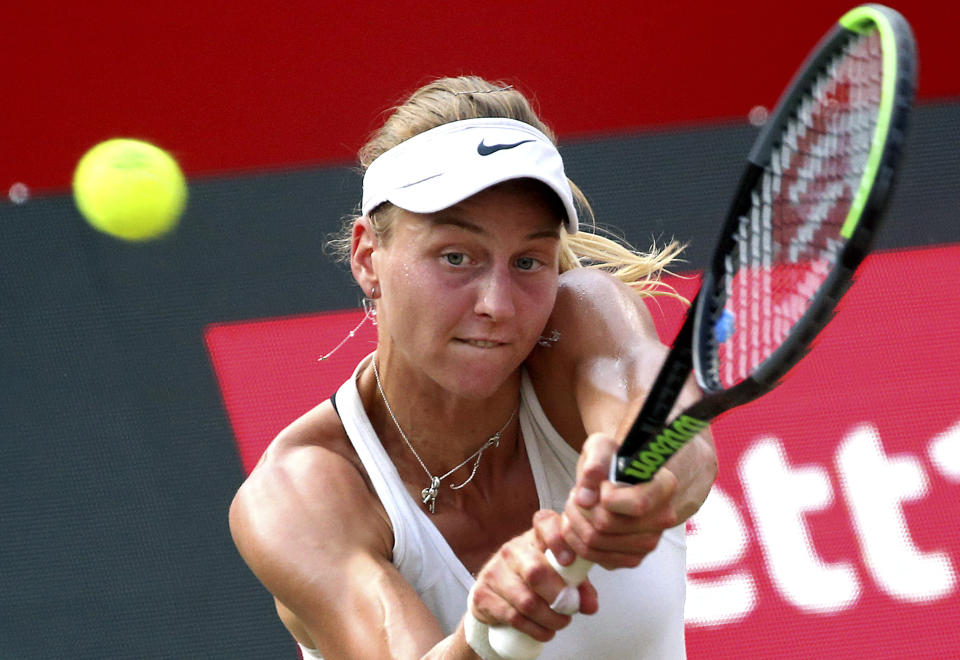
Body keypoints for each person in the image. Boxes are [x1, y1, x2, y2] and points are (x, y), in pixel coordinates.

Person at [229, 75, 716, 659]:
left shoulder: (584, 319)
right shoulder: (303, 491)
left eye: (529, 261)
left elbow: (679, 441)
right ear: (367, 258)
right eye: (456, 257)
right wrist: (482, 634)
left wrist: (640, 480)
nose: (498, 305)